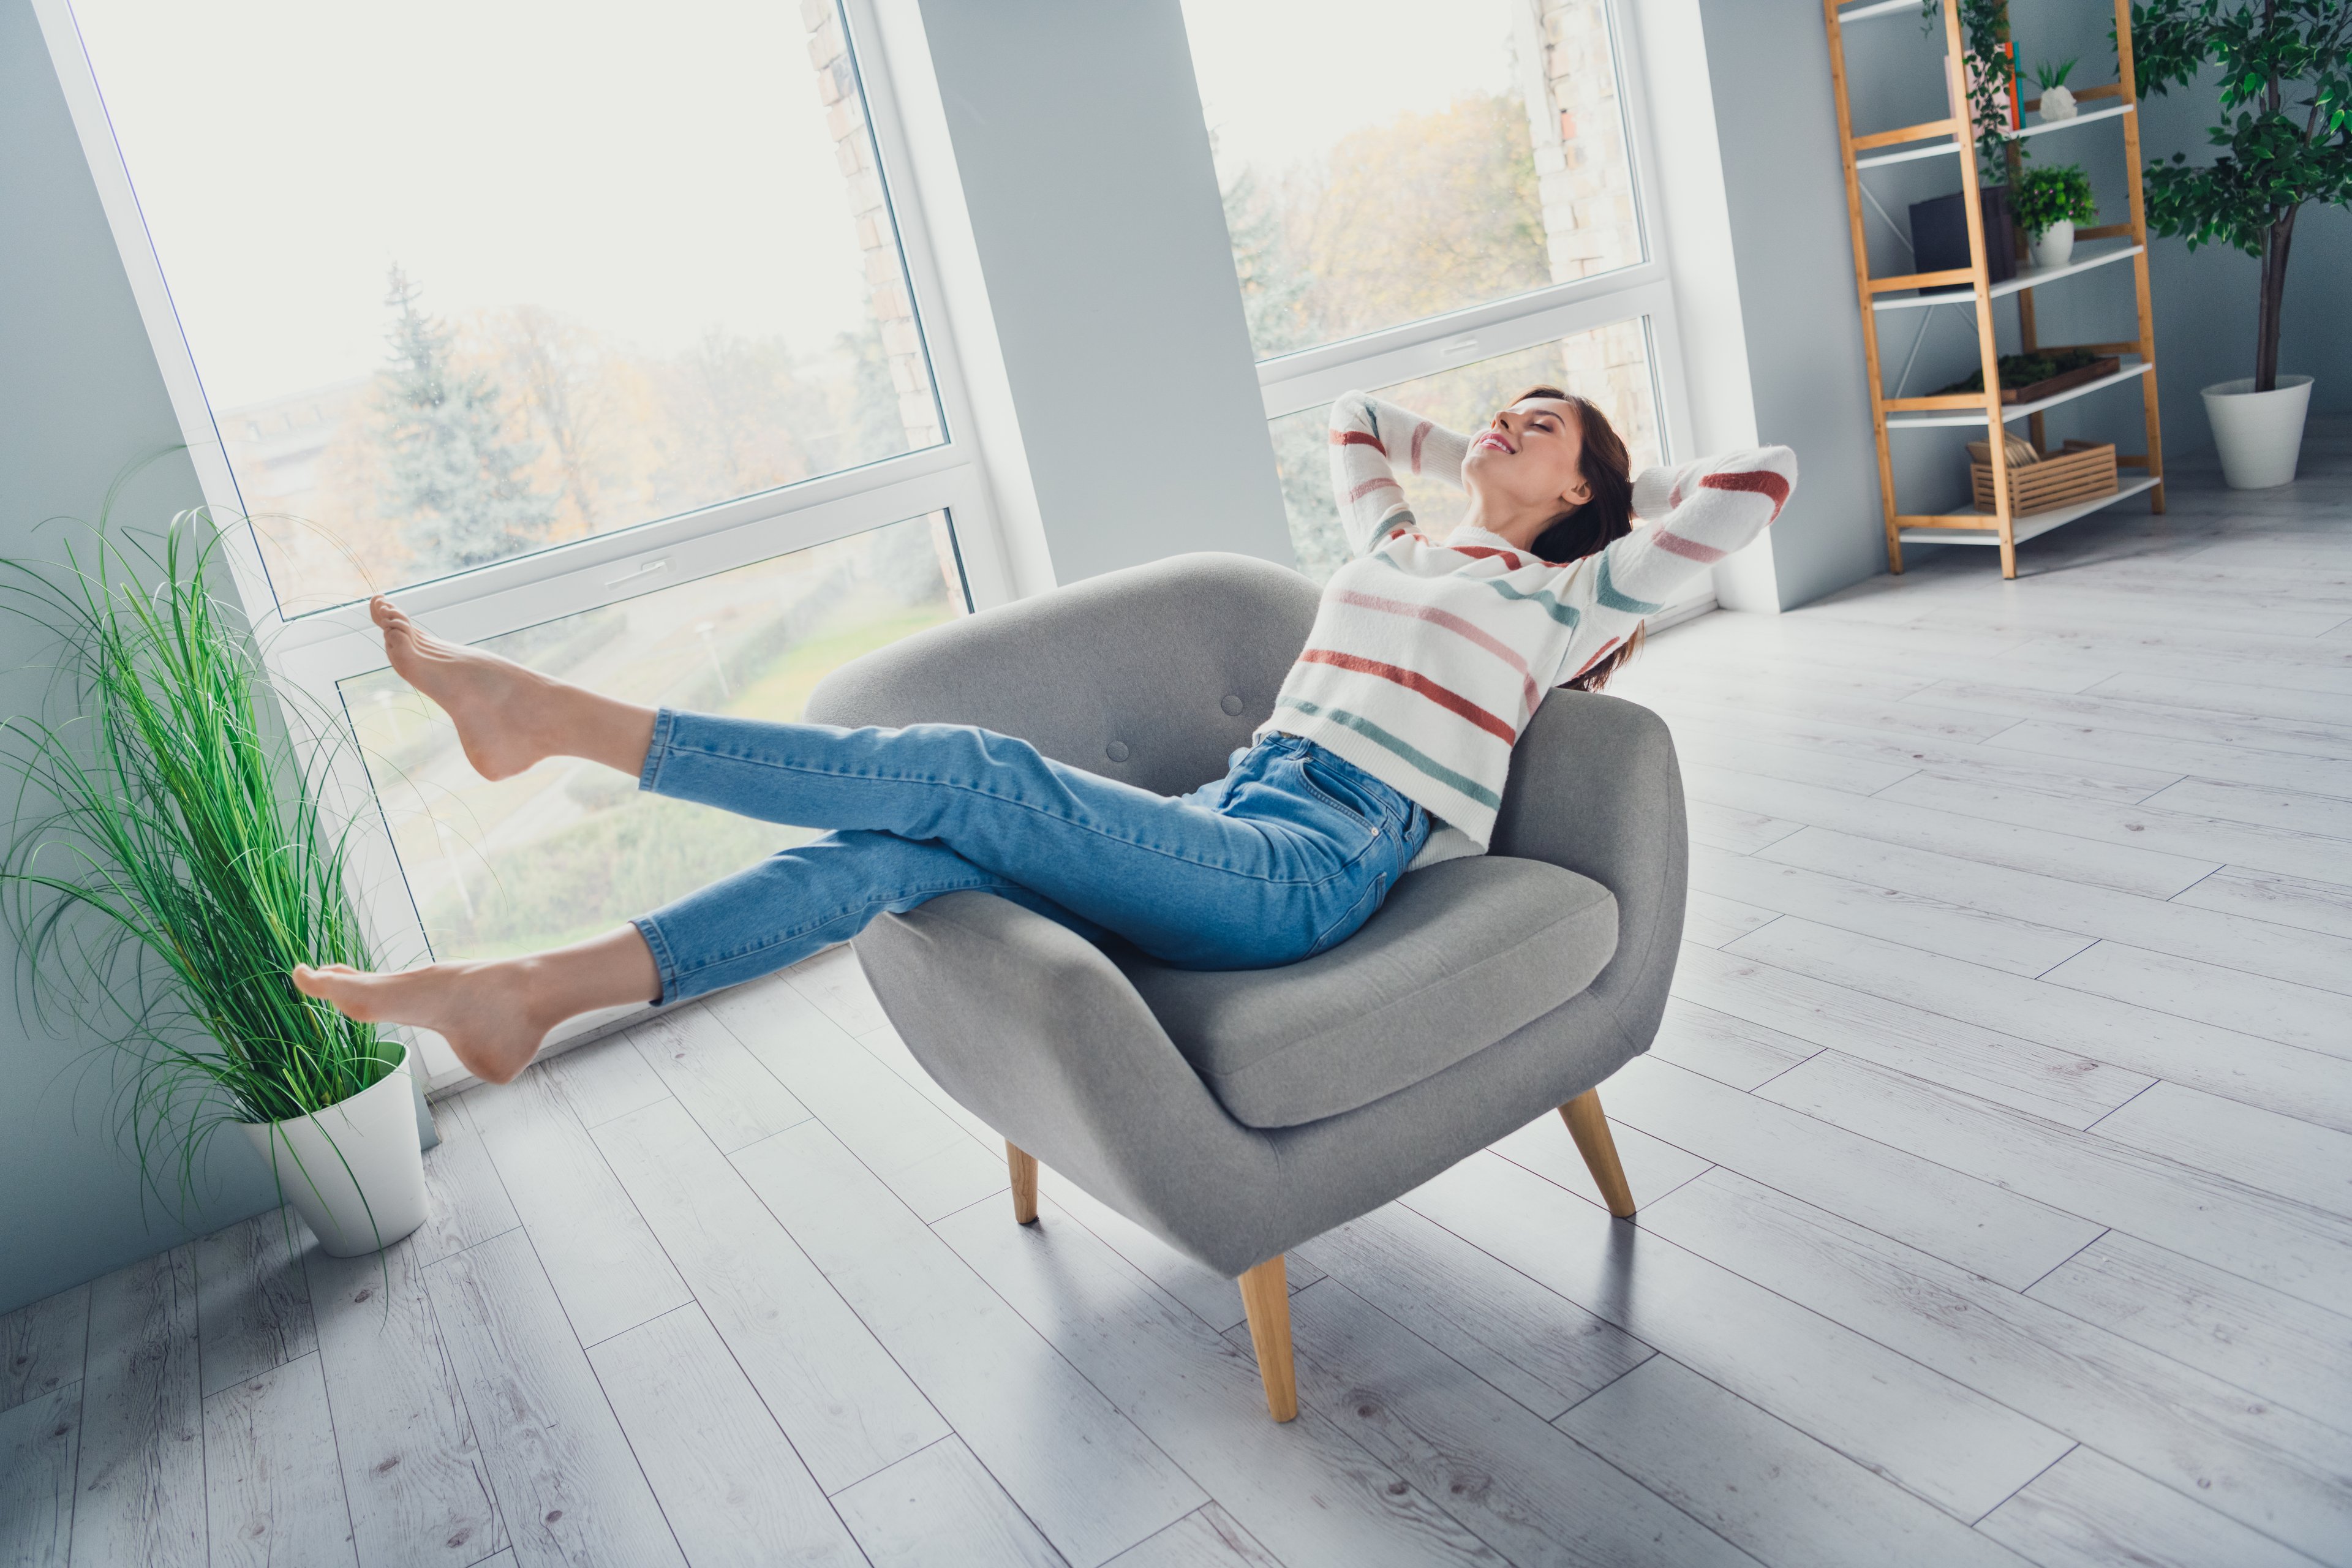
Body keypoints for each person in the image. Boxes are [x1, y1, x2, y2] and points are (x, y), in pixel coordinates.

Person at [294, 387, 1796, 1084]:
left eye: (1545, 429)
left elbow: (1760, 485)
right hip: (1232, 811)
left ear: (1588, 493)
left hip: (1309, 865)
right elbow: (1351, 418)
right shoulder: (1398, 548)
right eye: (1506, 411)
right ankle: (534, 989)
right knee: (888, 847)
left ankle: (554, 718)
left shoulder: (1567, 597)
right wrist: (1482, 454)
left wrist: (1613, 491)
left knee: (962, 771)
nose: (1504, 426)